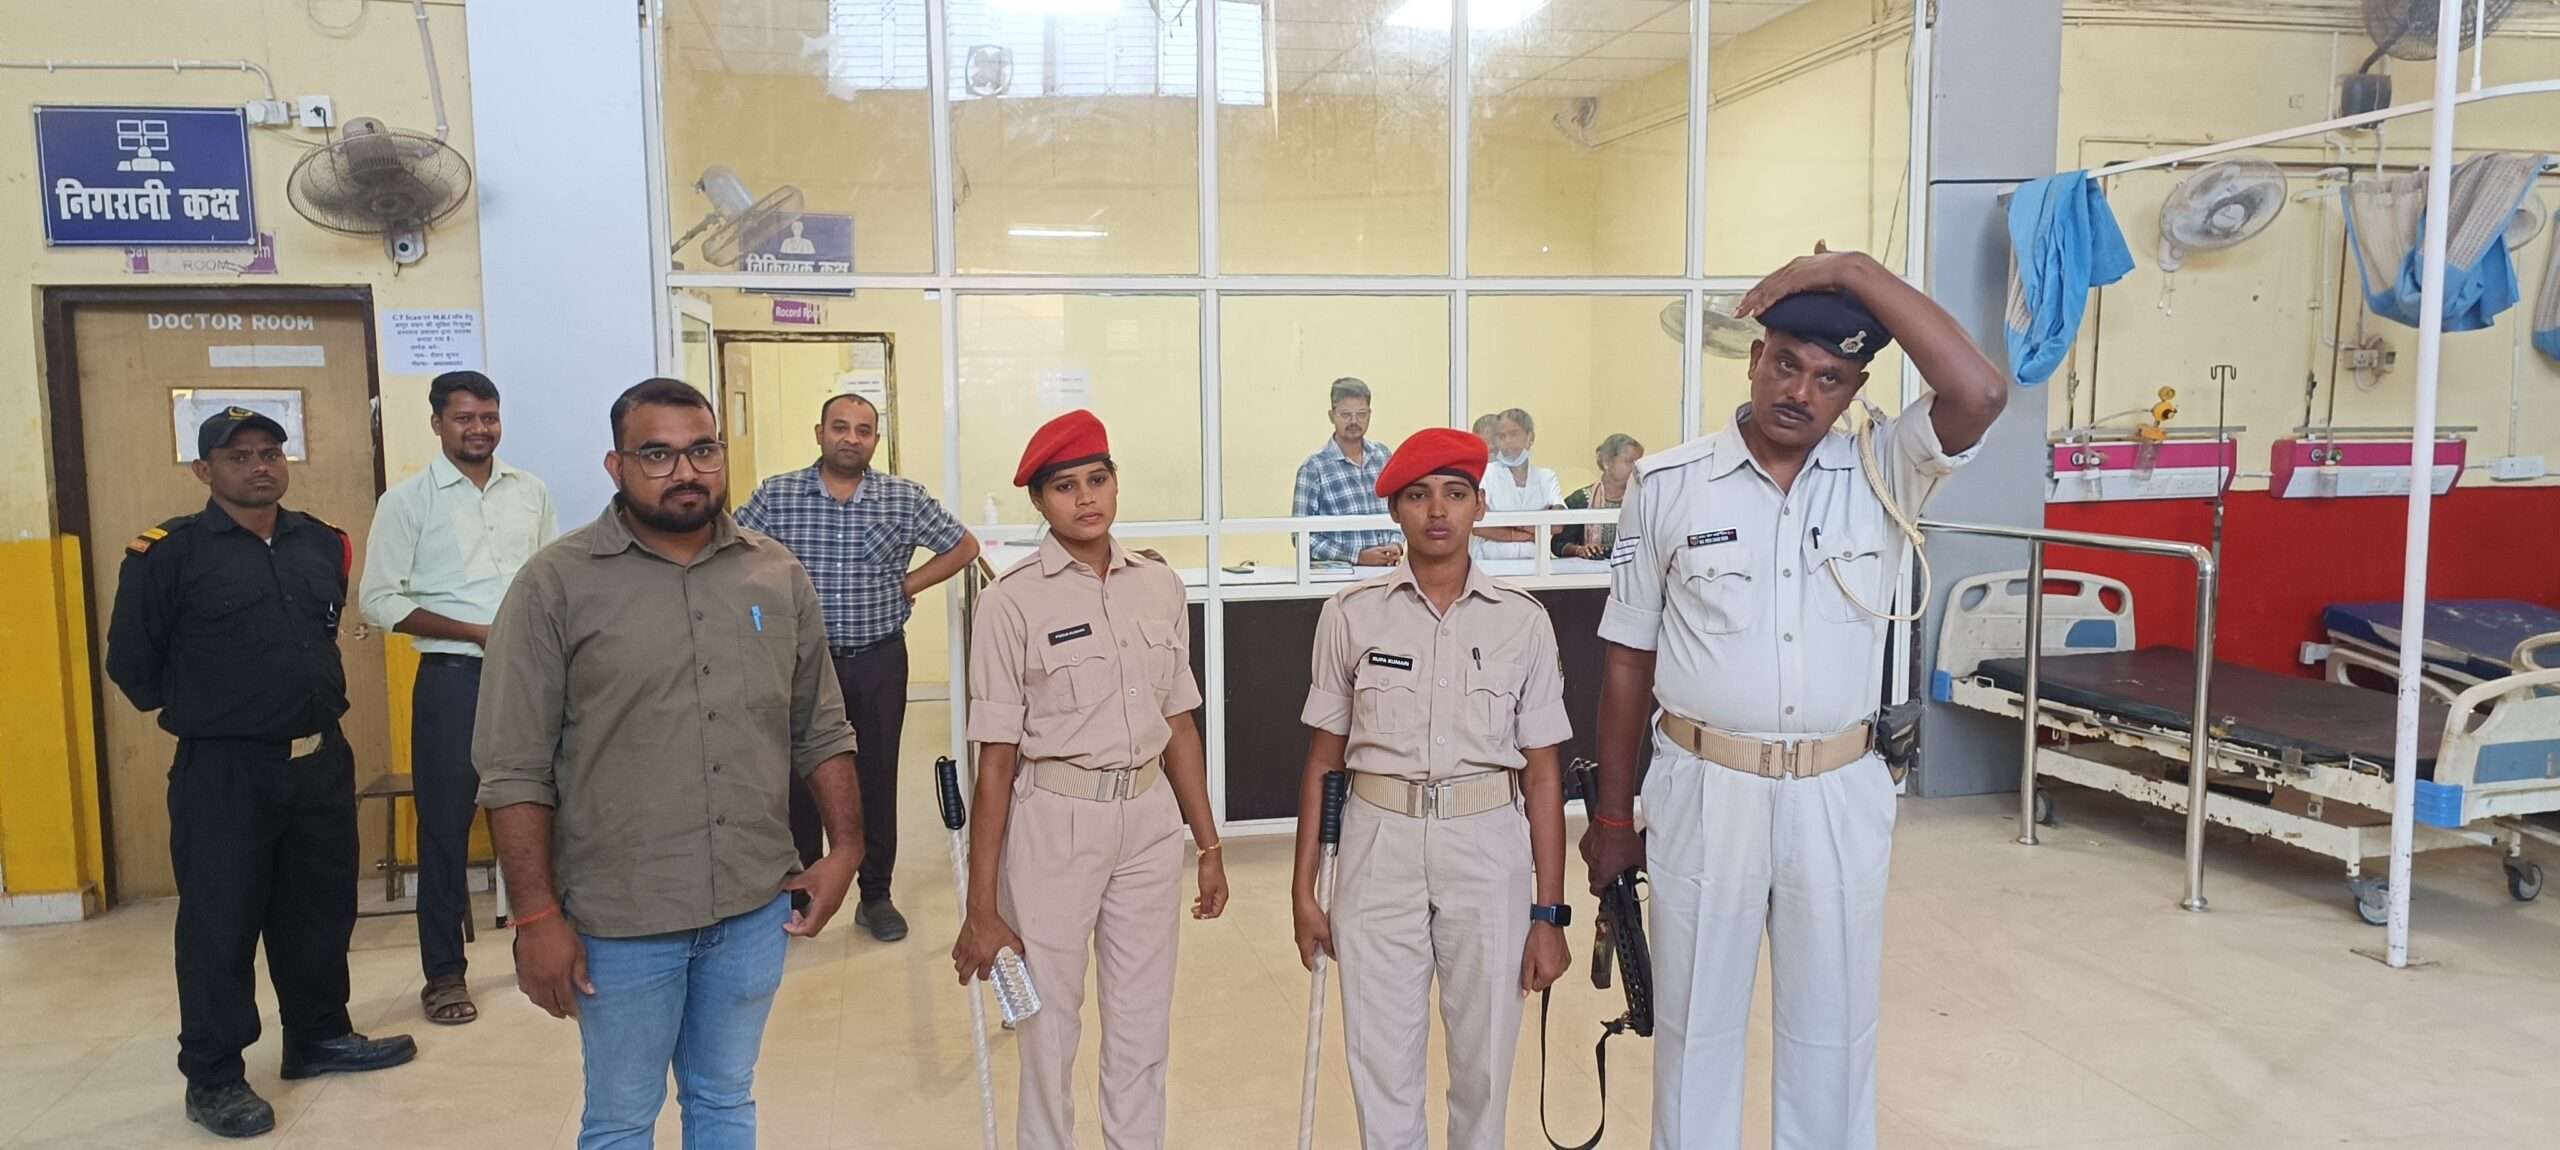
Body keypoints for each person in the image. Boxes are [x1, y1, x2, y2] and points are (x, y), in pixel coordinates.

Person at [1579, 245, 2007, 1150]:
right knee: (1695, 1033)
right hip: (1707, 786)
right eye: (1786, 364)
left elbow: (1979, 392)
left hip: (1838, 790)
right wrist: (1613, 818)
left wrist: (1854, 271)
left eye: (1829, 379)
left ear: (1854, 392)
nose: (1800, 392)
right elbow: (1626, 659)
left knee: (1832, 1034)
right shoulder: (1668, 485)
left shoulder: (1886, 470)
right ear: (1754, 357)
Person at [476, 378, 865, 1150]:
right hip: (623, 917)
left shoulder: (775, 574)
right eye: (657, 455)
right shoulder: (556, 584)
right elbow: (514, 767)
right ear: (616, 465)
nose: (685, 472)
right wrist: (535, 917)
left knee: (724, 1098)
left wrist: (847, 847)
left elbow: (820, 725)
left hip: (752, 904)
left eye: (702, 450)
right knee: (622, 1119)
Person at [106, 408, 417, 1140]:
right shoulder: (167, 554)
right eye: (239, 455)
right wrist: (211, 709)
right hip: (226, 769)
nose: (259, 466)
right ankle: (213, 1076)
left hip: (319, 759)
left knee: (319, 909)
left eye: (271, 452)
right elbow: (132, 664)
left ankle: (317, 1036)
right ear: (204, 470)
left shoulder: (321, 542)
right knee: (220, 924)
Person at [951, 409, 1230, 1150]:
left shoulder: (1159, 585)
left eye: (1097, 479)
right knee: (1047, 1024)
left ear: (1115, 483)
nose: (1085, 499)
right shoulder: (1011, 602)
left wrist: (1208, 845)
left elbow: (1179, 725)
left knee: (1142, 1021)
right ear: (1039, 501)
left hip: (1148, 819)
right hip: (1056, 820)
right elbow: (995, 762)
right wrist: (982, 905)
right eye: (1065, 486)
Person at [1290, 427, 1574, 1150]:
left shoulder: (1523, 623)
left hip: (1487, 842)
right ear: (1394, 510)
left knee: (1485, 1064)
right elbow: (1323, 761)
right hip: (1378, 841)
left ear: (1481, 505)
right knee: (1380, 1062)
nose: (1437, 511)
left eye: (1454, 494)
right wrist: (1303, 890)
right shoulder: (1350, 614)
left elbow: (1543, 774)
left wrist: (1549, 911)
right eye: (1418, 496)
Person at [737, 393, 981, 943]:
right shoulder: (778, 495)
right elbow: (730, 552)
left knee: (875, 777)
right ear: (819, 432)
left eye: (864, 430)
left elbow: (963, 546)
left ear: (876, 440)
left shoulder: (902, 498)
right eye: (840, 427)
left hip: (877, 660)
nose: (851, 438)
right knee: (797, 781)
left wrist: (907, 584)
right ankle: (800, 892)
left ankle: (875, 895)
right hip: (800, 665)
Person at [360, 370, 556, 1026]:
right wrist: (474, 631)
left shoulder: (530, 492)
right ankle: (444, 975)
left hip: (529, 679)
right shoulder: (406, 502)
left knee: (539, 816)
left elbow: (549, 580)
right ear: (437, 423)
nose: (479, 429)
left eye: (489, 417)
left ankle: (544, 949)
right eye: (464, 418)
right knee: (444, 829)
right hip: (453, 680)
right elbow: (379, 600)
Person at [1291, 377, 1402, 567]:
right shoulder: (1314, 468)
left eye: (1361, 414)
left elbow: (1401, 510)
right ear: (1331, 416)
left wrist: (1396, 544)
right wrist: (1357, 556)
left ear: (1370, 415)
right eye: (1345, 415)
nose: (1354, 421)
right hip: (1340, 575)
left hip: (1387, 572)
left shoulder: (1383, 456)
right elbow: (1300, 536)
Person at [1473, 408, 1563, 560]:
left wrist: (1507, 525)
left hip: (1536, 563)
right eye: (1501, 436)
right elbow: (1480, 527)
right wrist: (1532, 532)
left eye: (1514, 434)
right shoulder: (1485, 474)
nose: (1508, 441)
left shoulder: (1546, 477)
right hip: (1491, 562)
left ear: (1530, 437)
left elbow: (1557, 525)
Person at [1555, 433, 1644, 560]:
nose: (1636, 468)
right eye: (1629, 461)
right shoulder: (1580, 500)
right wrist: (1580, 550)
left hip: (1632, 569)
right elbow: (1558, 544)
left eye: (1639, 462)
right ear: (1607, 462)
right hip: (1589, 570)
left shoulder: (1643, 500)